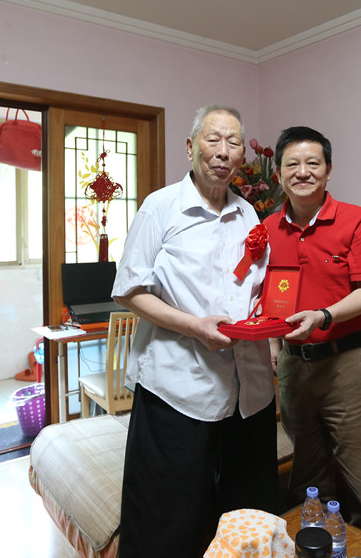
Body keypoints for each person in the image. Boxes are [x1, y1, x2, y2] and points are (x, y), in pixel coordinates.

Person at [112, 105, 278, 557]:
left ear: (242, 154)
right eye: (213, 139)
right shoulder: (160, 207)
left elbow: (257, 290)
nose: (224, 152)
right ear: (190, 148)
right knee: (169, 518)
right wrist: (195, 326)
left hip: (249, 393)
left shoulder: (249, 215)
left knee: (247, 517)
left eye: (234, 142)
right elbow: (129, 290)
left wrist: (270, 324)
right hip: (179, 388)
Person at [265, 126, 361, 538]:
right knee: (307, 476)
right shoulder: (267, 227)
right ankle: (314, 546)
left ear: (328, 170)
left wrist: (322, 315)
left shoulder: (357, 220)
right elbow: (268, 294)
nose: (303, 172)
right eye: (292, 164)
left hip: (347, 362)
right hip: (294, 365)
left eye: (313, 163)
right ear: (279, 174)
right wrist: (272, 344)